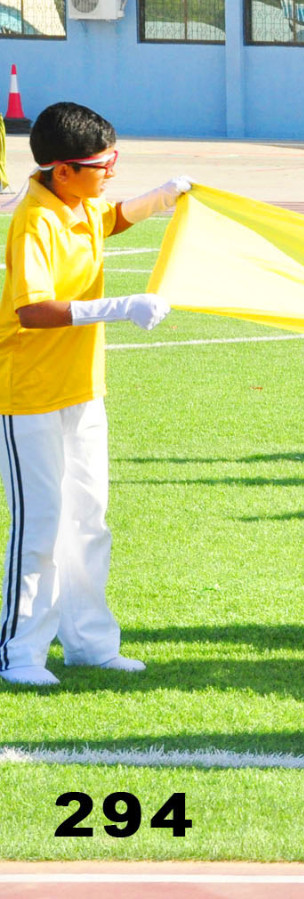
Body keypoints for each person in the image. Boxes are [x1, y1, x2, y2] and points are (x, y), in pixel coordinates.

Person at [0, 102, 188, 685]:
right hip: (29, 396)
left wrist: (160, 198)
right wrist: (119, 306)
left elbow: (110, 217)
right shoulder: (35, 219)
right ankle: (22, 652)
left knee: (89, 519)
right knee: (42, 525)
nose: (112, 170)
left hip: (83, 389)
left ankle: (89, 642)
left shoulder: (78, 203)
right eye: (102, 163)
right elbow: (32, 310)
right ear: (62, 170)